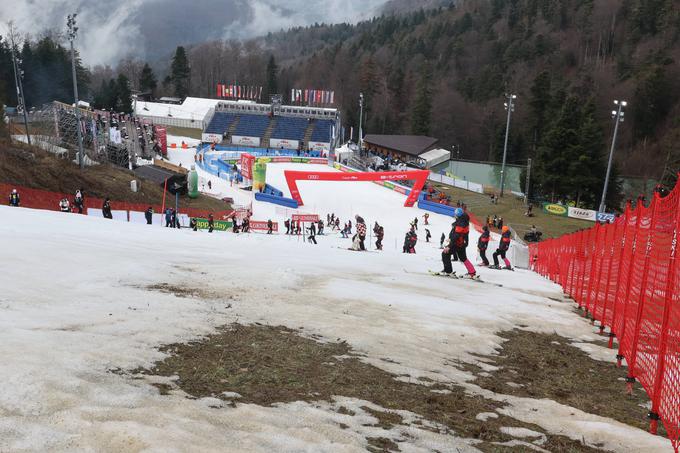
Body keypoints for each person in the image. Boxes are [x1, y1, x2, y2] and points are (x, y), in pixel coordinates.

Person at [451, 207, 476, 277]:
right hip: (463, 242)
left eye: (455, 214)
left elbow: (458, 233)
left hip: (459, 242)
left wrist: (451, 242)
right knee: (463, 258)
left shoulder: (461, 222)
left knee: (445, 254)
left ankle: (447, 271)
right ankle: (472, 272)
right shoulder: (463, 220)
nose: (454, 216)